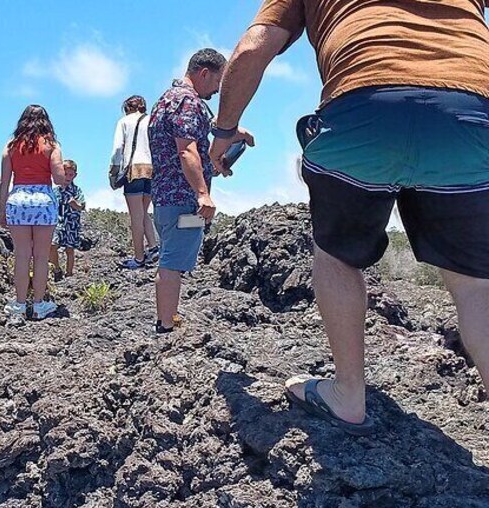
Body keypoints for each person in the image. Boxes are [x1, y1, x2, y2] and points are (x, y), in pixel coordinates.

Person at [210, 0, 489, 435]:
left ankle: (348, 395)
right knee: (476, 282)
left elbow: (253, 48)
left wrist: (225, 129)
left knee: (337, 256)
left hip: (363, 102)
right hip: (471, 112)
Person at [149, 48, 254, 334]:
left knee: (175, 253)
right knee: (173, 259)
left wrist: (234, 136)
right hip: (182, 199)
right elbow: (187, 151)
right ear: (204, 73)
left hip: (165, 198)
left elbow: (200, 138)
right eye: (217, 83)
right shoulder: (187, 101)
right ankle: (166, 324)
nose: (218, 91)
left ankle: (168, 316)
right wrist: (202, 193)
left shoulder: (168, 100)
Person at [0, 104, 68, 320]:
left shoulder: (10, 146)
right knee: (40, 256)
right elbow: (58, 178)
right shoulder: (52, 145)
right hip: (43, 201)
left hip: (18, 200)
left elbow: (4, 182)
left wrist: (2, 212)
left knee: (21, 255)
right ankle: (39, 305)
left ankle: (19, 304)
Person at [110, 95, 159, 269]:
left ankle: (139, 258)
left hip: (134, 170)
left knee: (135, 216)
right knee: (144, 211)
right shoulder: (152, 121)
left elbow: (118, 148)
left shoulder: (124, 122)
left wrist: (114, 171)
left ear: (128, 107)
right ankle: (153, 248)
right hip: (152, 170)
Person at [50, 160, 86, 279]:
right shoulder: (55, 191)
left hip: (72, 224)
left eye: (71, 174)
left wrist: (75, 204)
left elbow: (82, 206)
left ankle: (69, 274)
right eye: (66, 174)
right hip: (57, 224)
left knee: (70, 250)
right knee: (53, 245)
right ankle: (56, 269)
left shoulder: (77, 191)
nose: (68, 177)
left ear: (75, 175)